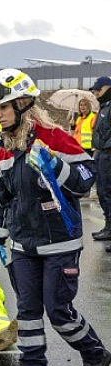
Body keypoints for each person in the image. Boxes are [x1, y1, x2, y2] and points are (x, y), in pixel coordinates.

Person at [0, 68, 110, 366]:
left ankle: (94, 352)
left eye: (2, 108)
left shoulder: (53, 137)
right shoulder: (3, 148)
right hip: (23, 244)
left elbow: (84, 180)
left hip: (60, 242)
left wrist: (56, 166)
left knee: (57, 309)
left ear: (23, 104)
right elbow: (3, 197)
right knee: (27, 311)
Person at [89, 76, 111, 242]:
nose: (96, 94)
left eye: (99, 90)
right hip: (101, 154)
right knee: (102, 192)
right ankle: (108, 226)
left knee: (108, 192)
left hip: (108, 154)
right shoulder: (104, 108)